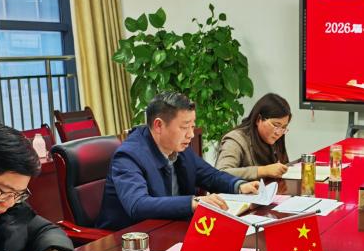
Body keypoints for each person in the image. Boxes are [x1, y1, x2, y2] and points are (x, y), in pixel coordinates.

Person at [96, 90, 260, 229]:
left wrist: (239, 185)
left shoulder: (179, 147)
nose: (191, 134)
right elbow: (138, 205)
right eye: (184, 127)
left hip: (171, 229)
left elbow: (210, 175)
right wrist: (193, 202)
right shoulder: (128, 156)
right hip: (129, 241)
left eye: (192, 126)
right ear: (159, 125)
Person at [215, 93, 291, 180]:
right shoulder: (235, 139)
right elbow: (221, 173)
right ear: (258, 119)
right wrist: (263, 171)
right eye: (276, 125)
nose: (278, 133)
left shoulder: (275, 139)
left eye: (284, 127)